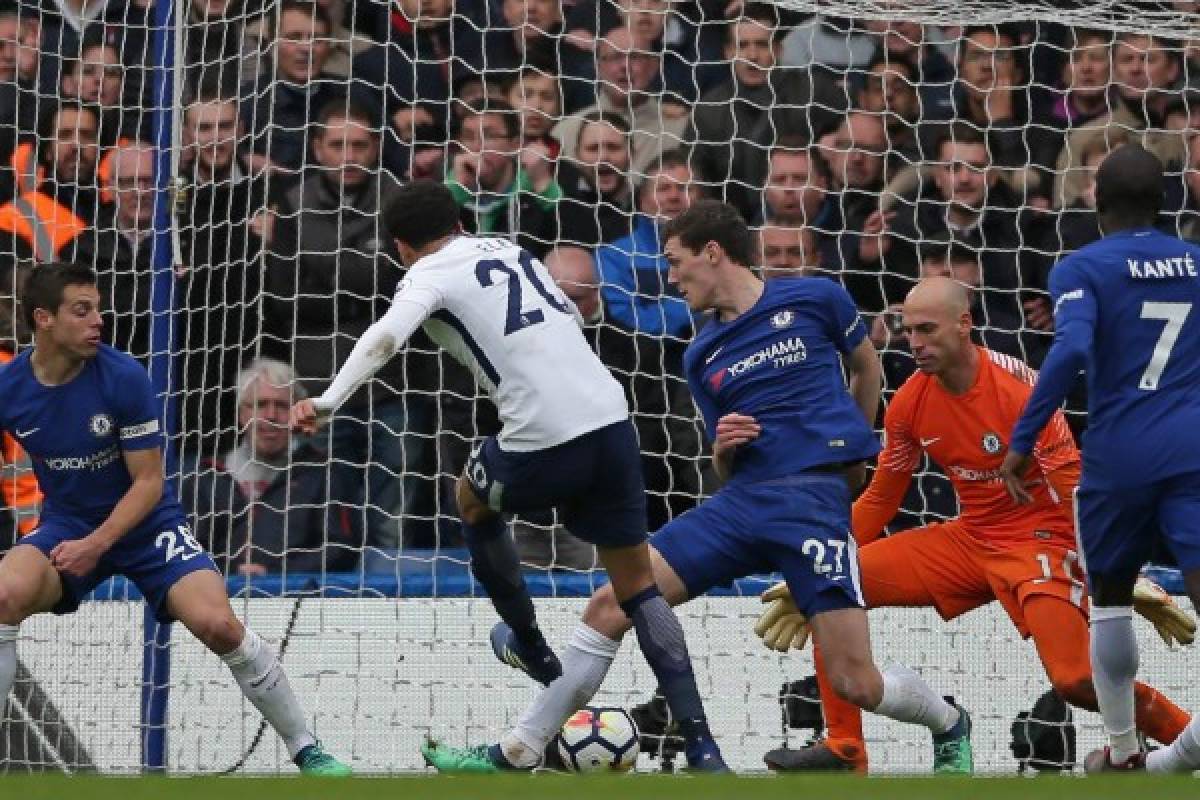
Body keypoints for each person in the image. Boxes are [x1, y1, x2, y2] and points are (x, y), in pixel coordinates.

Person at [422, 200, 974, 775]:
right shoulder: (700, 352)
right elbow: (723, 465)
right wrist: (724, 449)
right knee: (613, 602)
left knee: (854, 681)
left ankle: (948, 723)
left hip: (814, 508)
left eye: (675, 261)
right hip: (741, 504)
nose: (670, 275)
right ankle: (519, 749)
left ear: (712, 253)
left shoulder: (817, 299)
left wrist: (852, 450)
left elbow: (868, 369)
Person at [289, 181, 728, 772]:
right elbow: (569, 313)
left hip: (543, 434)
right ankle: (703, 747)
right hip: (611, 418)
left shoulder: (426, 274)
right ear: (461, 222)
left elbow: (386, 336)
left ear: (399, 246)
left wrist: (328, 400)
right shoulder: (509, 249)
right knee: (638, 588)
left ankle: (526, 638)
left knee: (469, 497)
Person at [759, 277, 1191, 773]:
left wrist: (1112, 571)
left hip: (1041, 541)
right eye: (907, 330)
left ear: (964, 324)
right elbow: (880, 497)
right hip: (971, 537)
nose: (914, 344)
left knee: (1075, 681)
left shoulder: (1021, 389)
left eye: (926, 330)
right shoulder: (910, 402)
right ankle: (844, 747)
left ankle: (1185, 740)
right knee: (831, 584)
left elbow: (1076, 489)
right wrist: (818, 558)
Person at [0, 263, 349, 775]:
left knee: (219, 626)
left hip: (148, 527)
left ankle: (307, 748)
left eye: (98, 307)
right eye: (82, 310)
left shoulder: (123, 377)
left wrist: (97, 545)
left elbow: (147, 484)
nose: (99, 320)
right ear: (43, 319)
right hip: (68, 525)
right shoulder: (10, 386)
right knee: (4, 595)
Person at [1002, 144, 1200, 774]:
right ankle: (1168, 764)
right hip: (1193, 450)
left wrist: (1024, 436)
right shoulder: (1197, 263)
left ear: (1095, 199)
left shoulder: (1081, 268)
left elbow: (1069, 351)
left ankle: (1122, 753)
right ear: (1164, 201)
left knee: (1110, 599)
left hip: (1117, 458)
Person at [182, 359, 362, 576]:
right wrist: (232, 570)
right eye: (260, 404)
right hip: (215, 596)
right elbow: (186, 550)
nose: (271, 416)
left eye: (282, 406)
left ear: (298, 412)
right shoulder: (207, 475)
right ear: (241, 414)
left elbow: (340, 550)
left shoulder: (322, 472)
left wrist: (274, 573)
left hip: (296, 599)